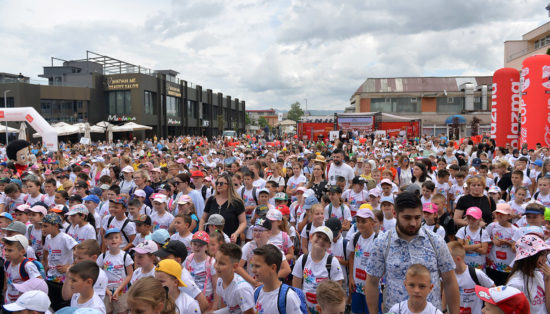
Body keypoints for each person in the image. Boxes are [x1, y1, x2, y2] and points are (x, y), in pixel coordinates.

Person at [365, 192, 459, 313]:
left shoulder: (436, 242)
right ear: (395, 214)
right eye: (407, 218)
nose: (413, 223)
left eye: (417, 217)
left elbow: (450, 281)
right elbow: (372, 282)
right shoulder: (382, 243)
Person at [292, 226, 344, 313]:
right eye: (318, 236)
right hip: (305, 308)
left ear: (329, 245)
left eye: (325, 239)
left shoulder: (333, 262)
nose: (321, 240)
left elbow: (337, 292)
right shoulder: (302, 259)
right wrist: (305, 309)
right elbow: (296, 288)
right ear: (311, 237)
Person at [252, 244, 304, 313]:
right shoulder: (256, 292)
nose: (253, 270)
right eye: (253, 265)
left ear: (273, 268)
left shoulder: (288, 297)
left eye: (257, 266)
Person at [42, 213, 78, 311]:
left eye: (45, 226)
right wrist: (45, 264)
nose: (43, 229)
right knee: (52, 305)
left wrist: (70, 266)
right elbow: (45, 250)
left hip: (63, 280)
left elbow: (78, 250)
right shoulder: (48, 238)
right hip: (51, 278)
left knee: (63, 307)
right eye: (42, 226)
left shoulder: (65, 238)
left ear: (56, 225)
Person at [507, 234, 550, 313]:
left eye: (546, 255)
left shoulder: (539, 274)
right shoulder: (516, 284)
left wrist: (547, 281)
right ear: (529, 257)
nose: (545, 260)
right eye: (542, 255)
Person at [448, 241, 494, 314]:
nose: (445, 261)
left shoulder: (476, 273)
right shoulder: (448, 274)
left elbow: (493, 288)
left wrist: (487, 307)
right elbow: (444, 291)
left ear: (458, 259)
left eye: (448, 259)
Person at [200, 173, 247, 244]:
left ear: (229, 185)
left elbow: (243, 222)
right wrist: (201, 233)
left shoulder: (237, 202)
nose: (218, 185)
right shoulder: (211, 200)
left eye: (221, 183)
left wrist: (236, 233)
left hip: (229, 241)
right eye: (217, 183)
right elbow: (203, 219)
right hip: (211, 241)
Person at [347, 207, 377, 314]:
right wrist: (351, 277)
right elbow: (351, 256)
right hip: (357, 286)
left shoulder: (378, 240)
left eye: (363, 221)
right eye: (358, 221)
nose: (360, 224)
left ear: (373, 223)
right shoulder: (355, 237)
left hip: (373, 288)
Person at [97, 228, 134, 314]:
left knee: (122, 311)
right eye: (110, 238)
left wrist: (118, 289)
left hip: (121, 289)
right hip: (106, 290)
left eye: (116, 237)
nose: (113, 239)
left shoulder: (125, 256)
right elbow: (97, 275)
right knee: (107, 311)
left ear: (121, 240)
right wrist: (106, 290)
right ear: (105, 242)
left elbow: (130, 274)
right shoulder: (102, 257)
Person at [213, 243, 255, 314]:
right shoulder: (220, 281)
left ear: (235, 267)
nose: (216, 266)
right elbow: (226, 305)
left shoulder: (241, 289)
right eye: (216, 261)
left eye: (222, 263)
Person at [2, 234, 42, 304]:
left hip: (23, 304)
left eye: (10, 250)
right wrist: (5, 291)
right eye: (5, 250)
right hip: (9, 302)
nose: (6, 253)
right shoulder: (7, 263)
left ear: (22, 252)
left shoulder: (27, 265)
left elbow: (40, 284)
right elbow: (7, 279)